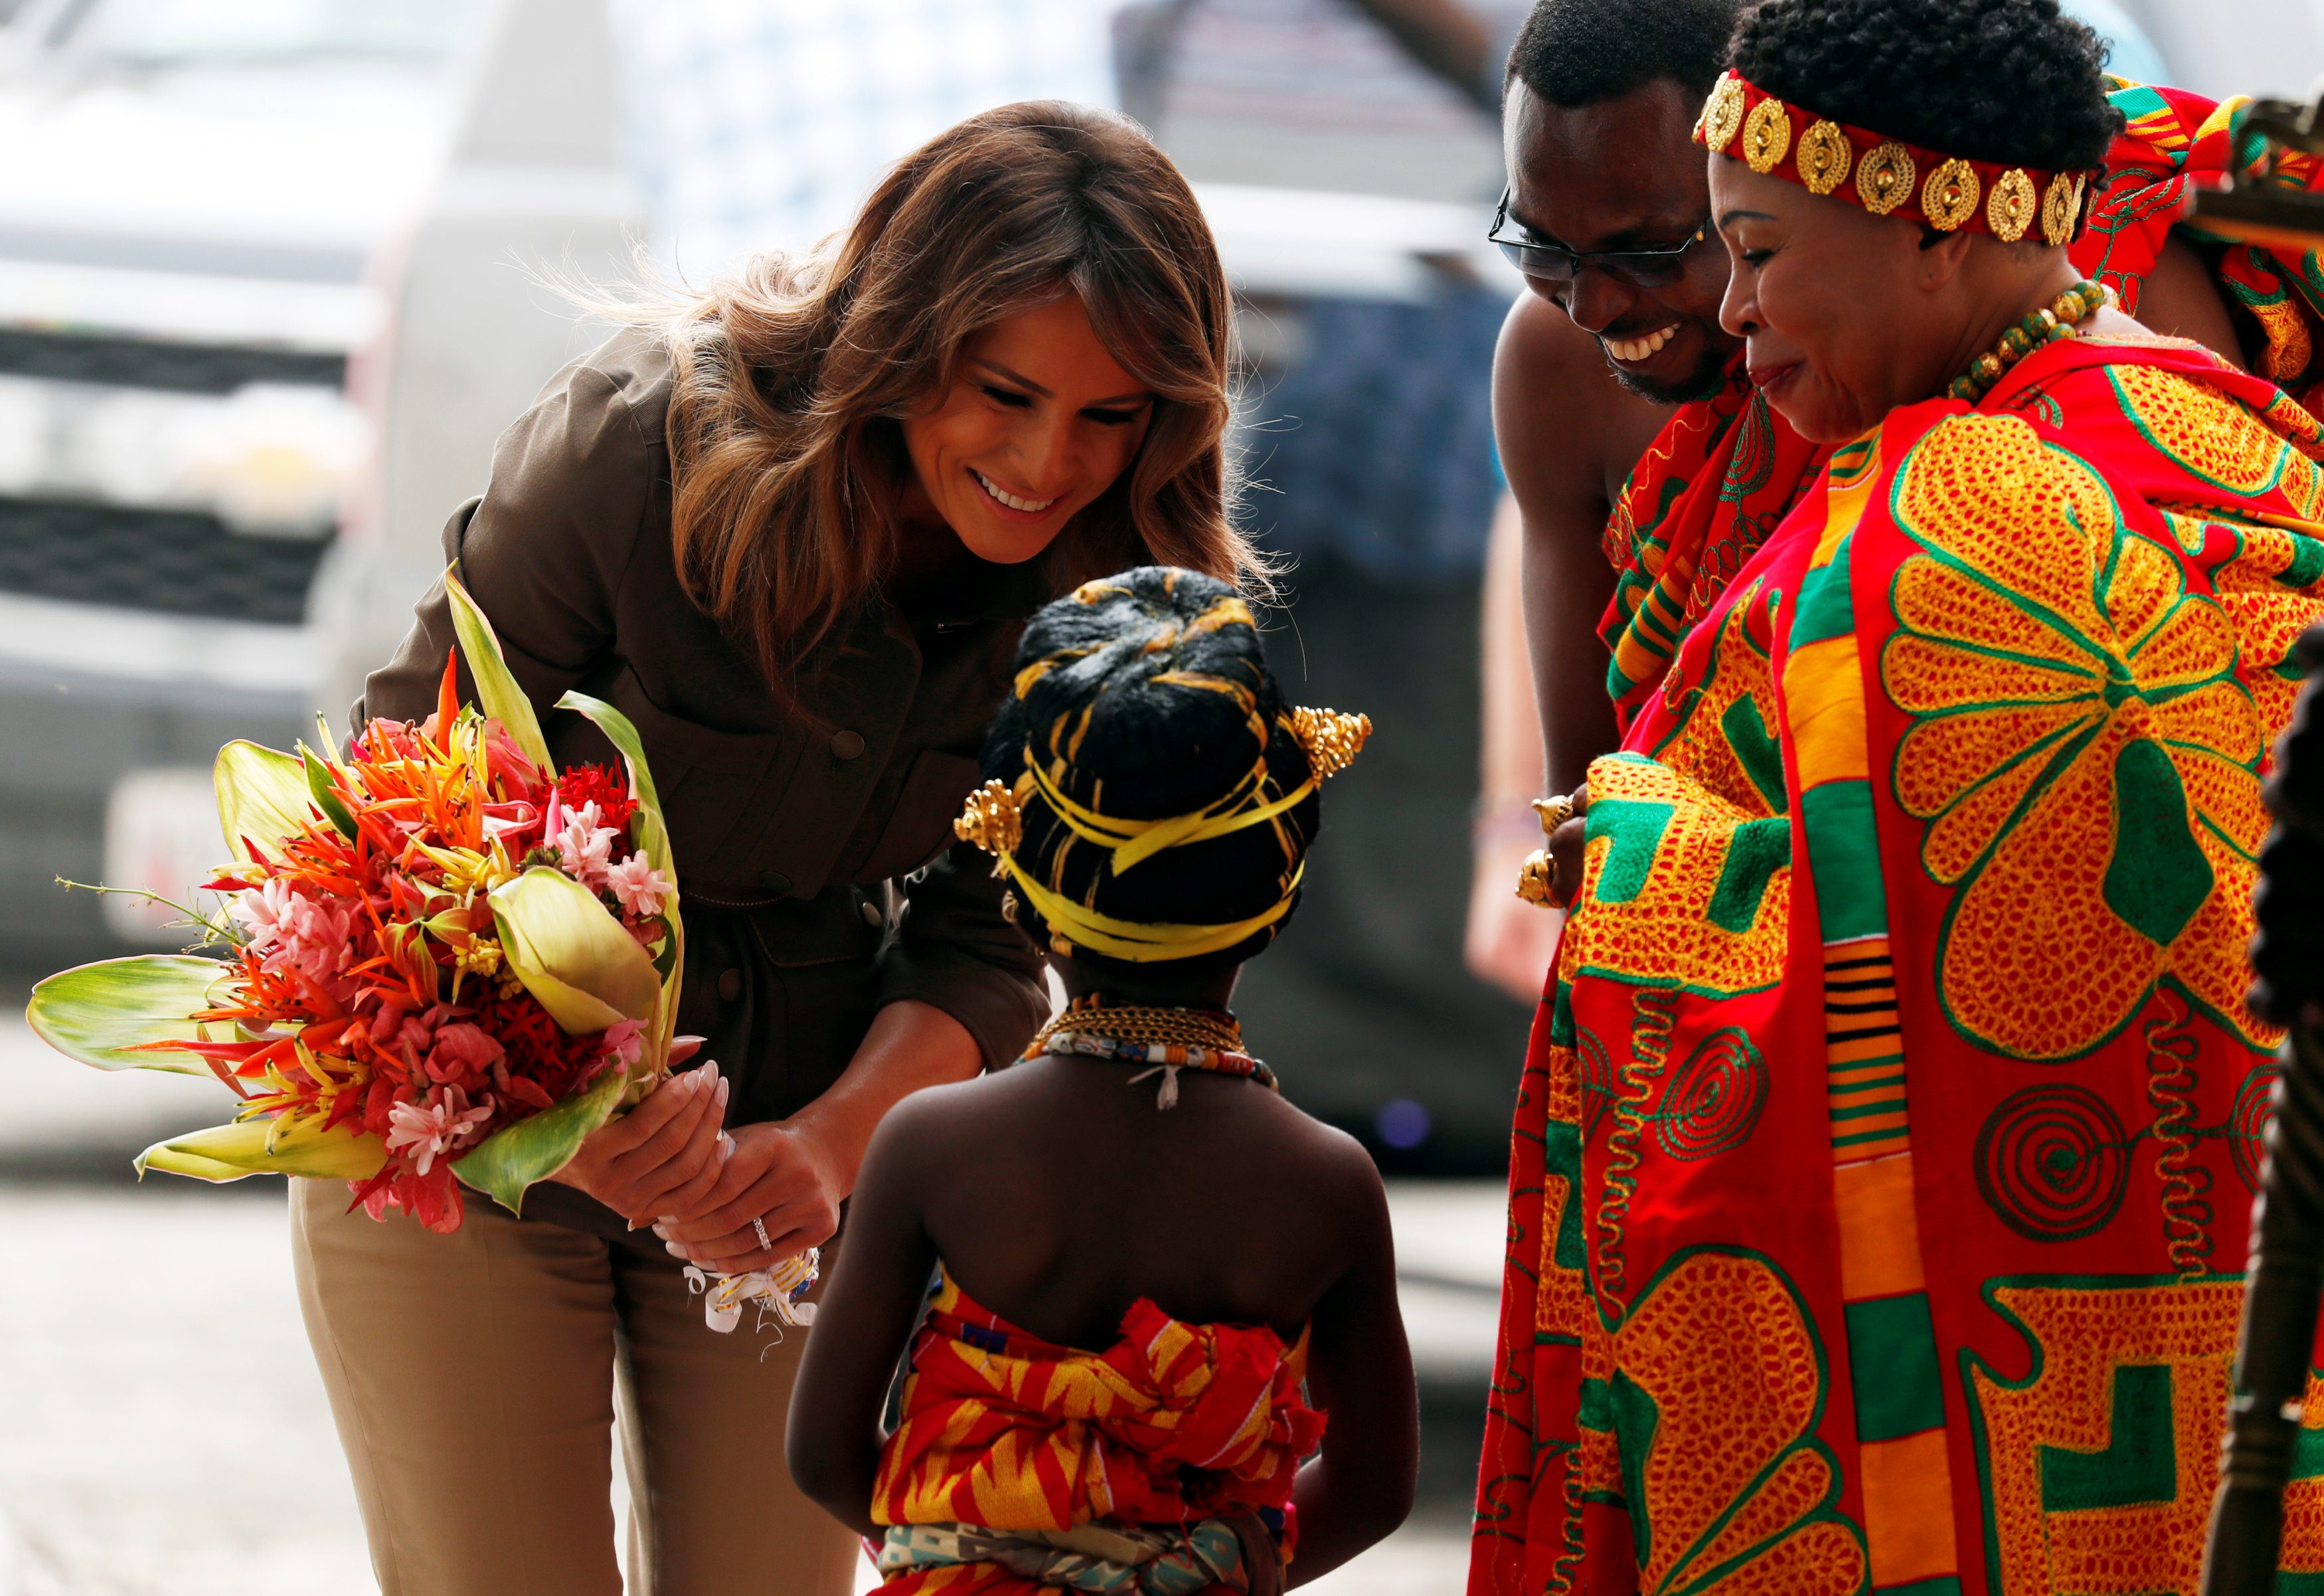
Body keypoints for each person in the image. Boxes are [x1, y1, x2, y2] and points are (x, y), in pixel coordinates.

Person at [292, 103, 1265, 1596]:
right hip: (473, 1120)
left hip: (788, 1156)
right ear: (902, 341)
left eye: (1109, 416)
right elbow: (402, 801)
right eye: (1003, 394)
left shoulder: (1120, 593)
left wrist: (828, 1146)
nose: (1044, 460)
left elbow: (994, 933)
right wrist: (573, 1121)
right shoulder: (634, 446)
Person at [1469, 1, 2324, 1589]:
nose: (1731, 308)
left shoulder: (1963, 508)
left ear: (1938, 229)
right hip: (2221, 1269)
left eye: (1750, 250)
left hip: (2032, 1296)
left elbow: (2003, 962)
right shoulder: (2219, 431)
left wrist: (1655, 858)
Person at [1464, 0, 2324, 989]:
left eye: (1673, 250)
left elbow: (2043, 894)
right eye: (1540, 249)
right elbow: (1598, 833)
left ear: (1923, 229)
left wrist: (1657, 868)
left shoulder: (2003, 482)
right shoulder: (1571, 367)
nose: (1591, 305)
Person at [786, 566, 1418, 1593]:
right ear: (1278, 889)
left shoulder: (932, 1146)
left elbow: (822, 1455)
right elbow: (1376, 1488)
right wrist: (1195, 1570)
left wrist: (980, 1552)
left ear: (1019, 887)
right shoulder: (1327, 1181)